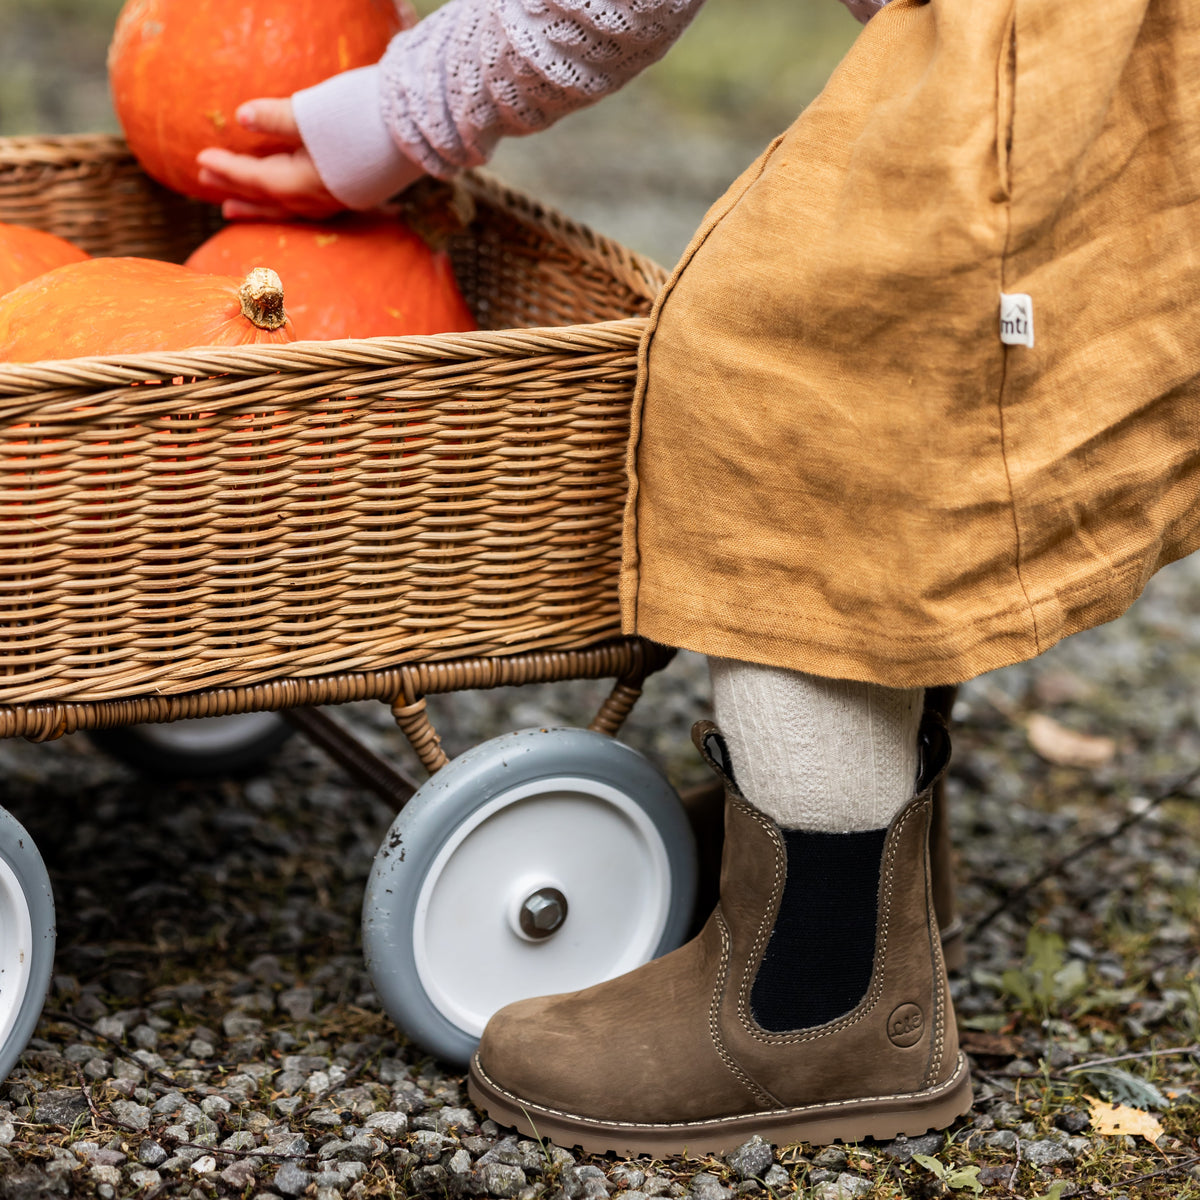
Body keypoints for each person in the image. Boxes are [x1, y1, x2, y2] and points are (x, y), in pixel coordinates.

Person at [197, 0, 1200, 1156]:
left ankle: (816, 997)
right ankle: (878, 881)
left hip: (1075, 58)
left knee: (791, 386)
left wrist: (404, 109)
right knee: (929, 403)